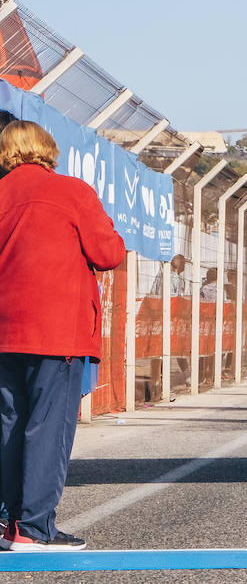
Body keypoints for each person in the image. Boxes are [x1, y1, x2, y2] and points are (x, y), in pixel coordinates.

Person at [0, 120, 126, 552]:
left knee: (10, 426)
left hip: (4, 330)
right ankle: (35, 530)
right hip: (57, 332)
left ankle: (11, 523)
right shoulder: (72, 192)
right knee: (48, 428)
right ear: (47, 150)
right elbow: (108, 253)